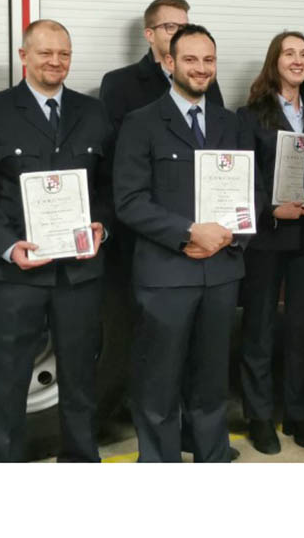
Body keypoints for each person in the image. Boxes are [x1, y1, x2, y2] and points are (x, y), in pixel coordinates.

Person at [0, 19, 111, 462]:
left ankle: (81, 460)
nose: (55, 62)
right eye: (45, 53)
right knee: (7, 381)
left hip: (79, 273)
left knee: (80, 378)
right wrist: (8, 246)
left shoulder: (93, 112)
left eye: (64, 53)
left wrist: (102, 224)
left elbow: (109, 188)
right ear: (24, 56)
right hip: (13, 275)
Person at [113, 24, 258, 462]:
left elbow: (252, 193)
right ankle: (159, 463)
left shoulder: (231, 124)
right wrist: (188, 233)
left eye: (208, 60)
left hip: (221, 270)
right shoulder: (141, 124)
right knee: (158, 378)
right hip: (165, 273)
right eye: (191, 59)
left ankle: (212, 454)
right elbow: (129, 201)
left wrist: (233, 234)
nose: (201, 68)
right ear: (169, 62)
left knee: (212, 376)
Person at [236, 31, 304, 454]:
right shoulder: (249, 115)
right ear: (274, 62)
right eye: (289, 53)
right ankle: (259, 417)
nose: (297, 60)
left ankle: (295, 414)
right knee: (258, 328)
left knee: (301, 328)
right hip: (267, 237)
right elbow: (242, 177)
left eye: (303, 53)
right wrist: (271, 209)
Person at [99, 0, 225, 131]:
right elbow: (111, 142)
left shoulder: (202, 76)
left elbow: (221, 128)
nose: (180, 34)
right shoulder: (119, 82)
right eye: (170, 27)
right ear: (150, 35)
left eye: (184, 27)